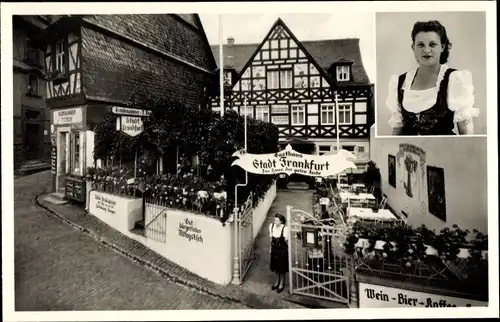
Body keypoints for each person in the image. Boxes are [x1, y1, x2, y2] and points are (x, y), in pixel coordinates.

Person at [386, 20, 479, 136]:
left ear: (442, 47)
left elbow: (466, 133)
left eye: (432, 44)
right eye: (420, 45)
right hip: (410, 153)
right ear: (413, 47)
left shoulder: (455, 80)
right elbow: (396, 133)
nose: (426, 50)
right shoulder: (400, 82)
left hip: (444, 152)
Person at [269, 213, 289, 293]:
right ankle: (276, 282)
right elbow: (270, 239)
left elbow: (286, 241)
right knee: (276, 266)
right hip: (274, 250)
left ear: (281, 222)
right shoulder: (271, 227)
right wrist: (270, 249)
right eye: (274, 220)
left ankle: (282, 283)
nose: (275, 222)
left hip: (282, 250)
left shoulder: (284, 229)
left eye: (277, 221)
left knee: (282, 267)